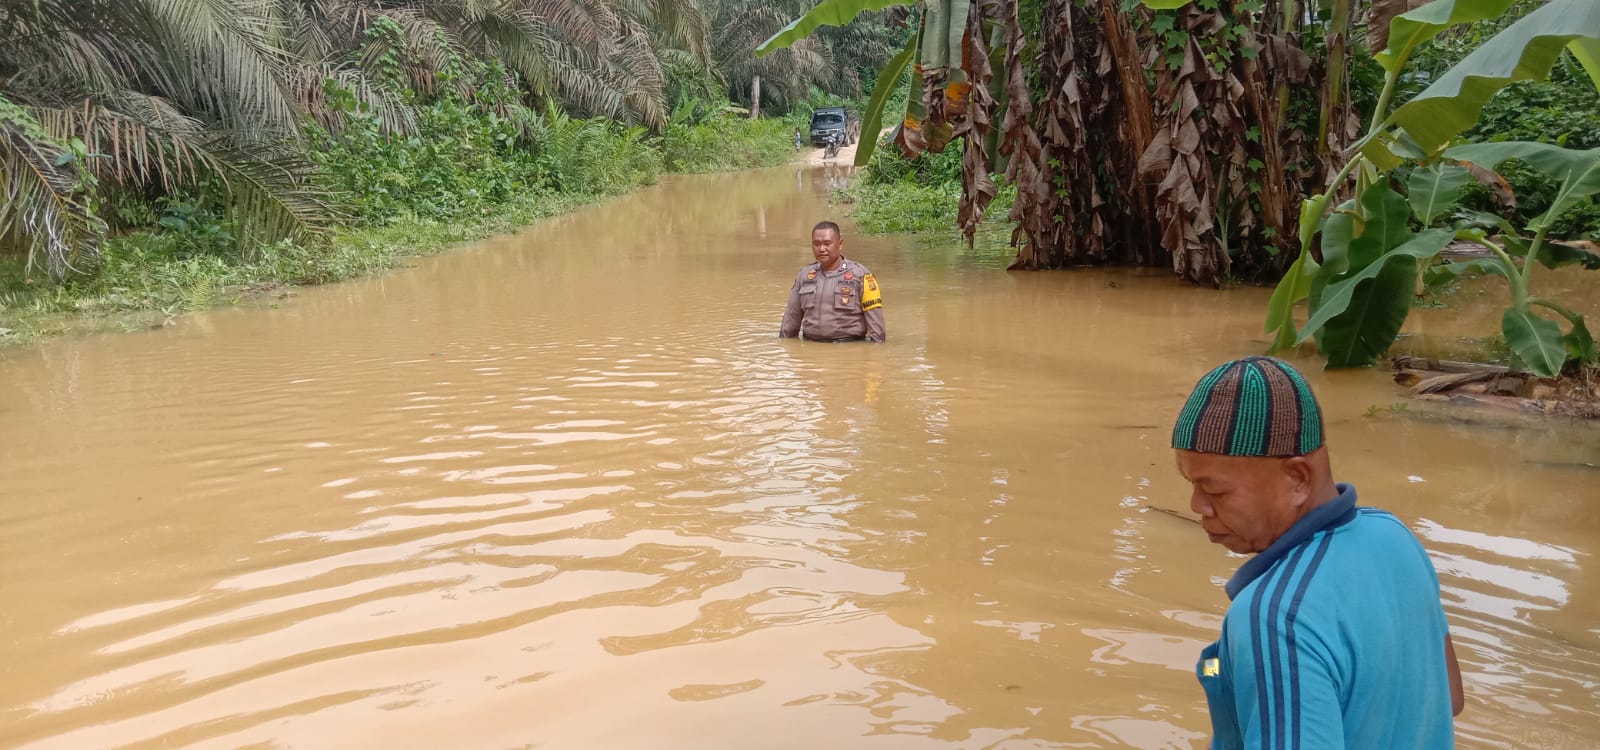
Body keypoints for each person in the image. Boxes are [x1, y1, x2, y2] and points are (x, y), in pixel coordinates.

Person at [1171, 356, 1464, 749]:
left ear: (1297, 478)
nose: (1197, 506)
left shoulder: (1275, 617)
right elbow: (1449, 699)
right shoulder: (1393, 536)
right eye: (1191, 483)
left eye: (1216, 490)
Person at [780, 221, 885, 343]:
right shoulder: (804, 276)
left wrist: (876, 354)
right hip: (812, 350)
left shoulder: (862, 276)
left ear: (840, 244)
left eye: (827, 243)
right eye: (816, 244)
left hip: (849, 349)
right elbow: (791, 321)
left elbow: (877, 330)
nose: (822, 249)